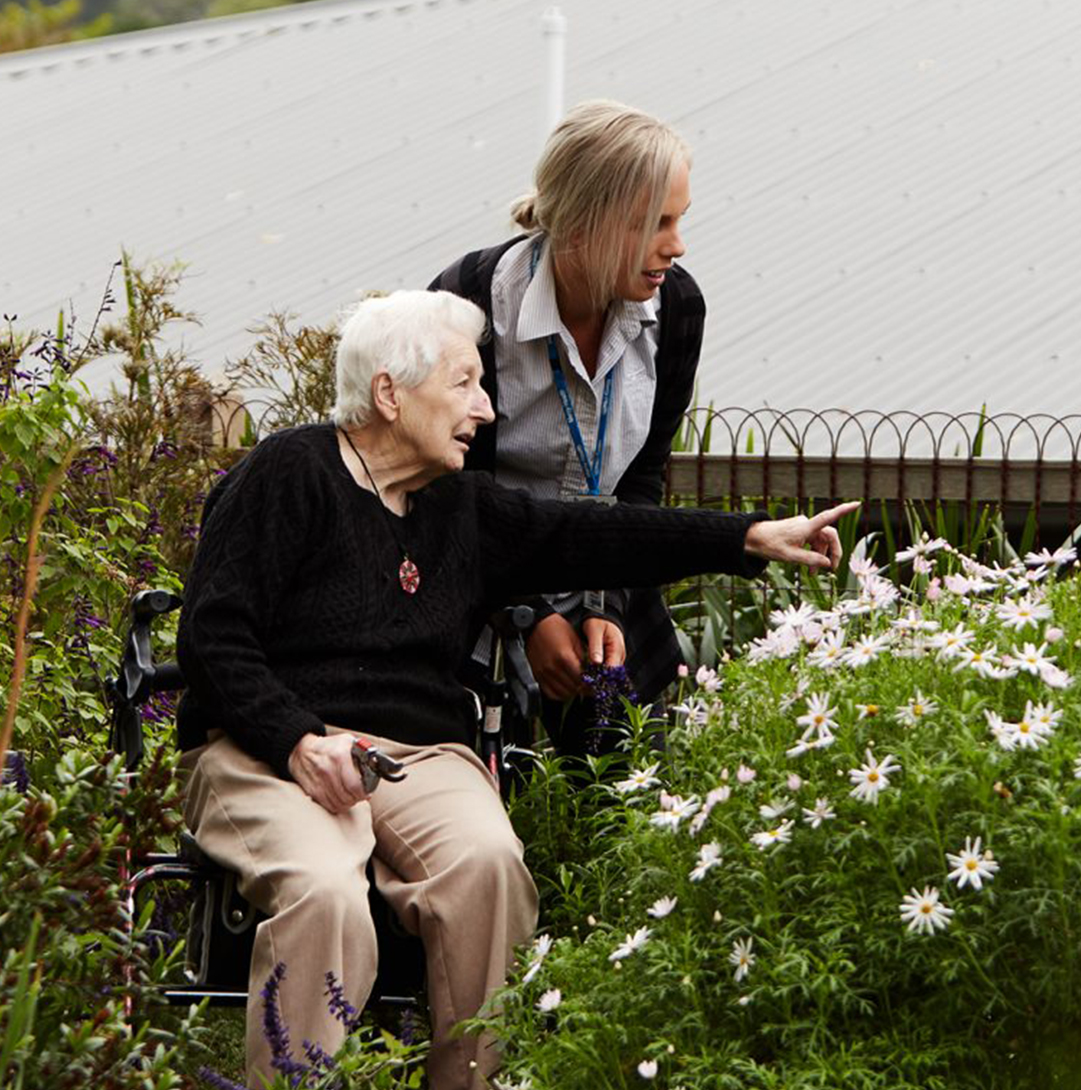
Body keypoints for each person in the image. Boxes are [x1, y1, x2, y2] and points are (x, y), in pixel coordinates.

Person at [174, 290, 849, 1089]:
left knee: (489, 867)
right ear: (390, 393)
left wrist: (744, 537)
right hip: (267, 752)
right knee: (326, 893)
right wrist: (296, 738)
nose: (488, 410)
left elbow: (587, 533)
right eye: (464, 384)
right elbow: (212, 638)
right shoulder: (289, 473)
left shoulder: (458, 507)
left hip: (416, 756)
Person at [428, 99, 701, 756]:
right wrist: (529, 616)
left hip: (606, 590)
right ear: (586, 224)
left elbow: (643, 477)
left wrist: (605, 605)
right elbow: (448, 487)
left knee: (621, 814)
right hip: (475, 598)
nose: (677, 244)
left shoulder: (678, 307)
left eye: (680, 220)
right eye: (657, 224)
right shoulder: (466, 300)